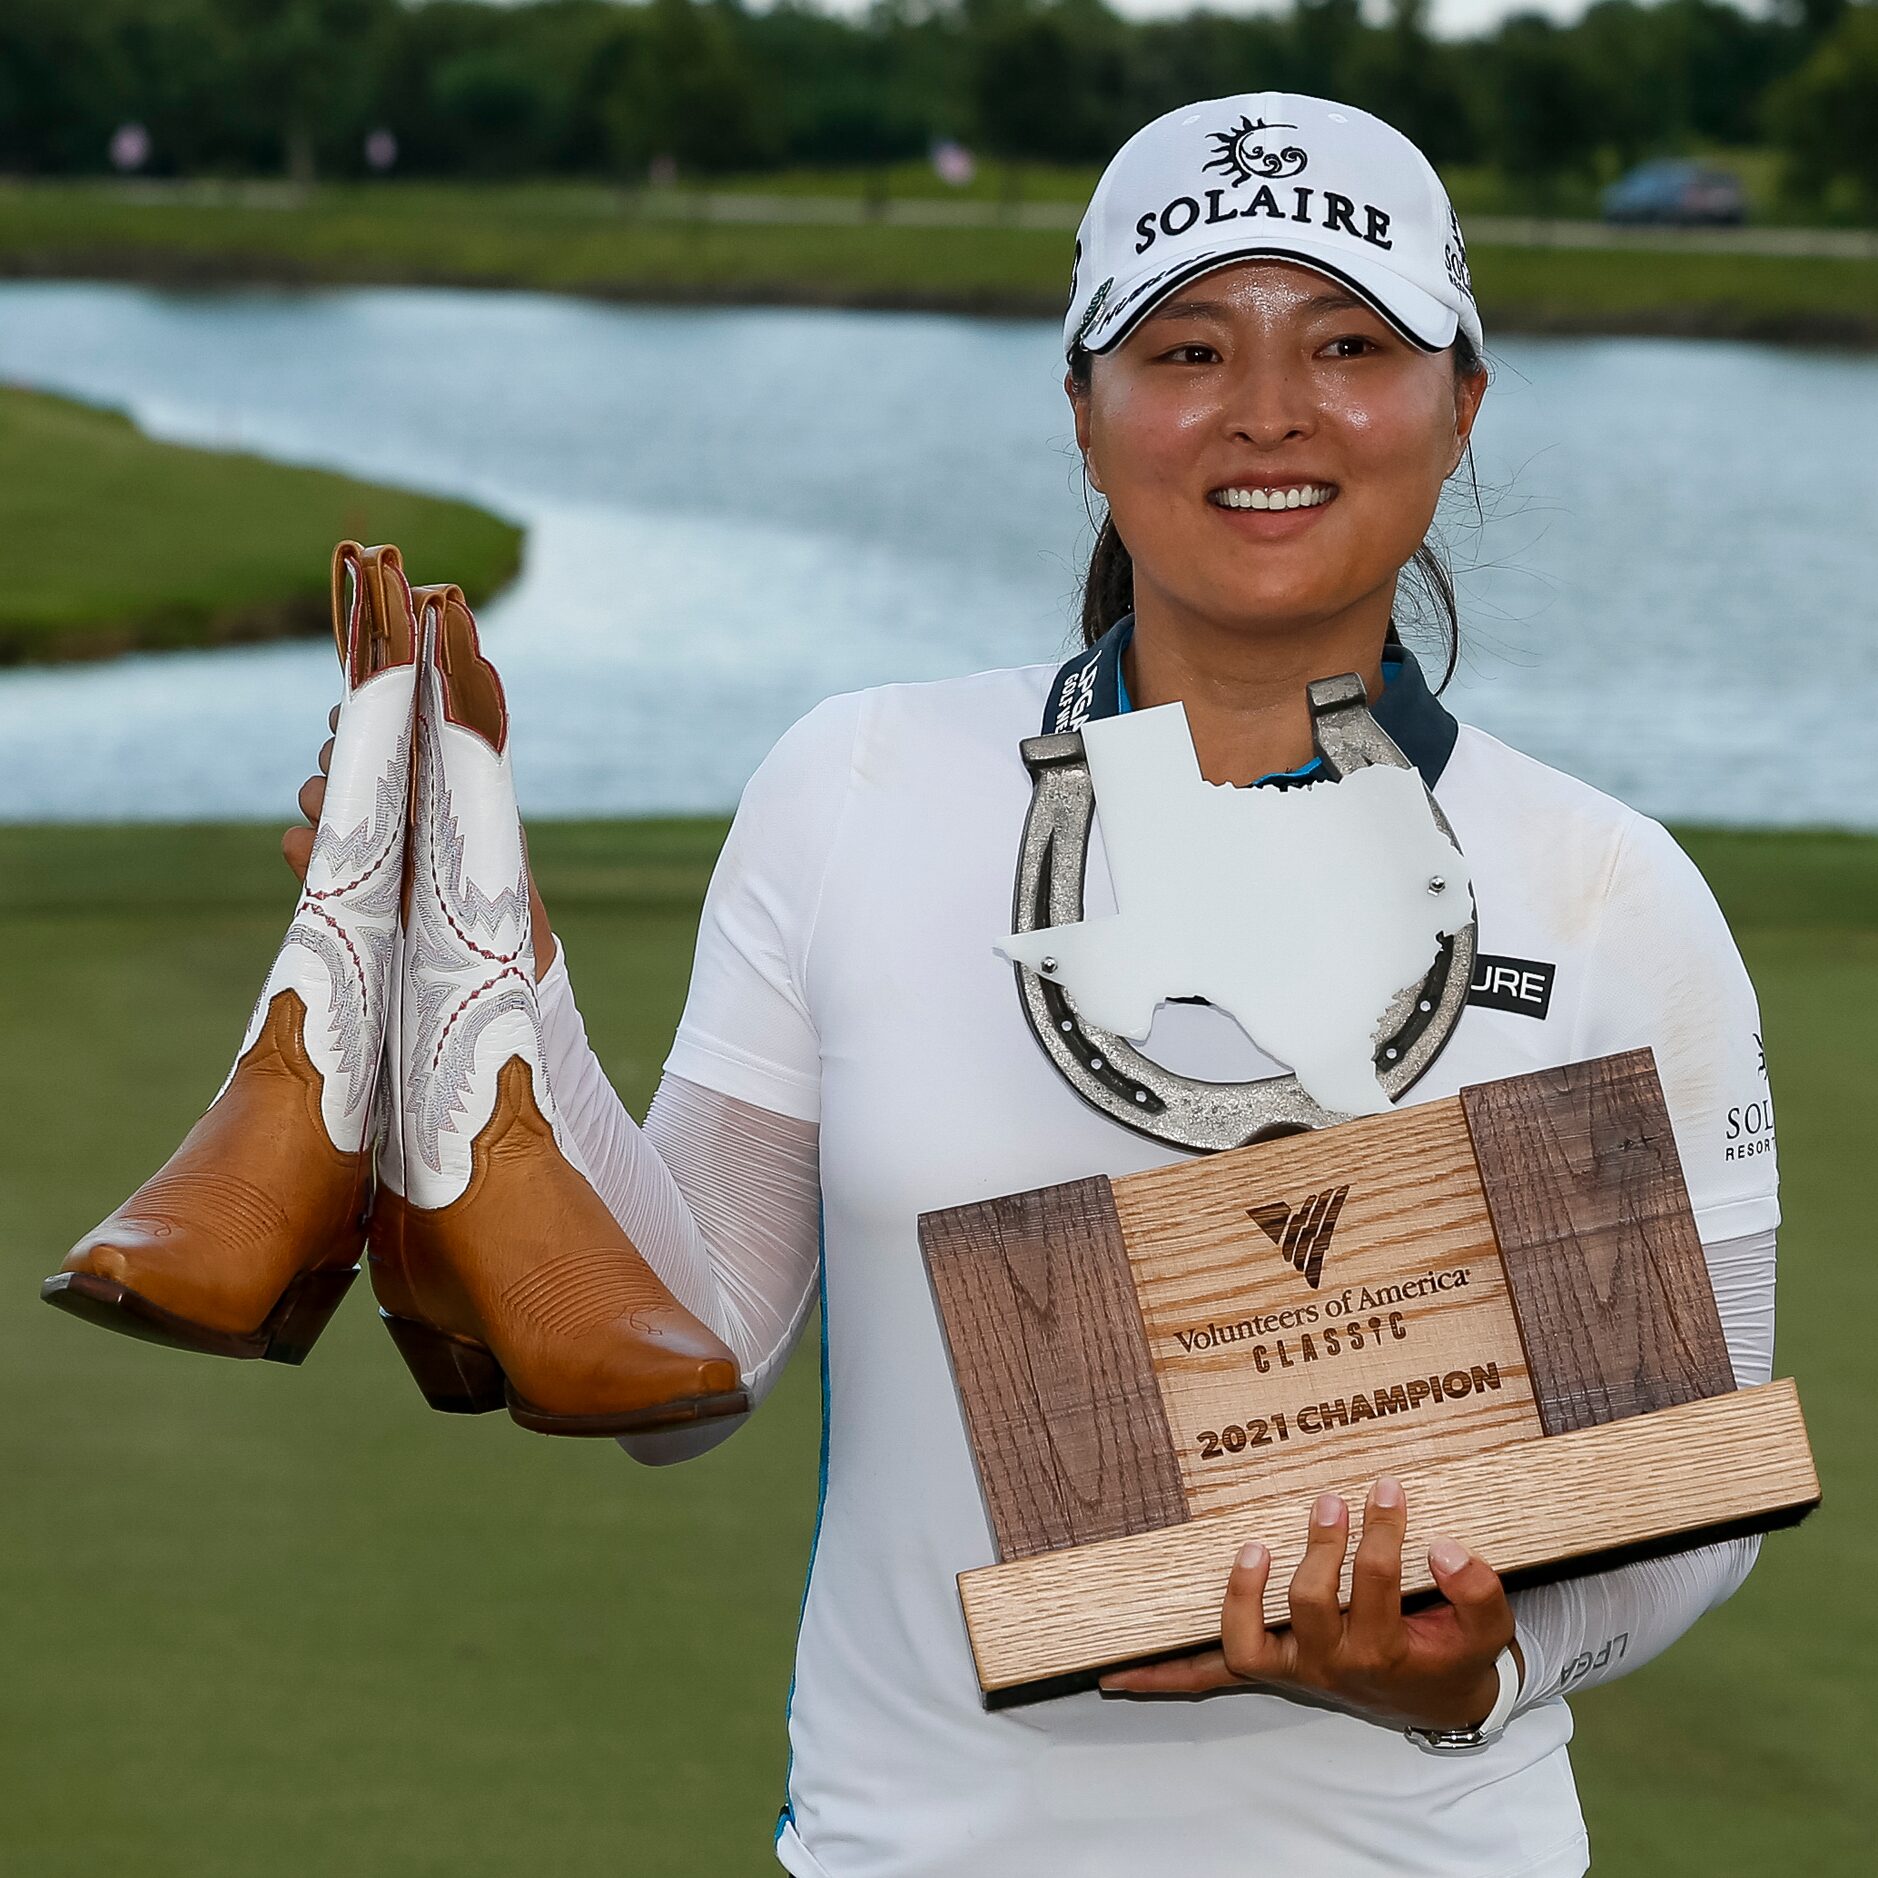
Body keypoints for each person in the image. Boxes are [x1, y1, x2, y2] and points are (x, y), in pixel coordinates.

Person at [292, 90, 1779, 1878]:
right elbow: (681, 1373)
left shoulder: (1610, 890)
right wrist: (489, 965)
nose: (1267, 410)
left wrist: (1479, 1667)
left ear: (1458, 405)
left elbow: (1682, 1499)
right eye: (1183, 346)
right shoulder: (856, 787)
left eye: (1351, 342)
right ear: (1082, 413)